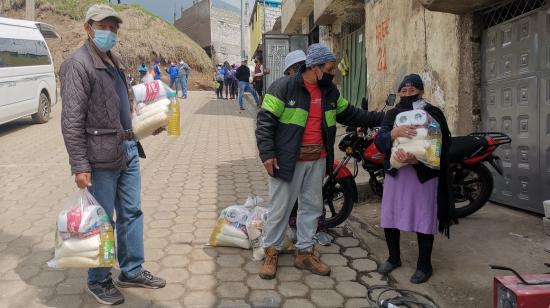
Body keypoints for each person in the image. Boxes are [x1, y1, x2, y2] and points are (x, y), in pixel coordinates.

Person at [59, 4, 166, 305]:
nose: (110, 32)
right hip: (99, 157)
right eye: (103, 26)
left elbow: (124, 106)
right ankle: (99, 279)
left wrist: (146, 126)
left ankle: (131, 270)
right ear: (88, 28)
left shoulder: (114, 60)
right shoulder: (77, 64)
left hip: (128, 148)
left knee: (132, 213)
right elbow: (71, 121)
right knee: (103, 220)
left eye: (114, 27)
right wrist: (80, 165)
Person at [255, 43, 384, 280]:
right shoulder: (283, 87)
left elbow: (353, 113)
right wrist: (267, 154)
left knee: (312, 207)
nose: (332, 73)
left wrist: (384, 118)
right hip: (287, 162)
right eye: (329, 69)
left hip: (318, 160)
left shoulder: (330, 93)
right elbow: (264, 122)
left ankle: (305, 252)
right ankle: (271, 252)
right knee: (280, 209)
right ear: (314, 68)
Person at [374, 74, 453, 284]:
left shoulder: (433, 113)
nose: (407, 94)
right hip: (397, 173)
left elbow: (443, 144)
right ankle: (393, 258)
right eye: (403, 91)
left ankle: (424, 265)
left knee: (423, 219)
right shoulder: (392, 115)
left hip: (423, 175)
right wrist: (393, 133)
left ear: (421, 91)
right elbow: (380, 142)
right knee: (390, 217)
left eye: (412, 91)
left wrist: (418, 159)